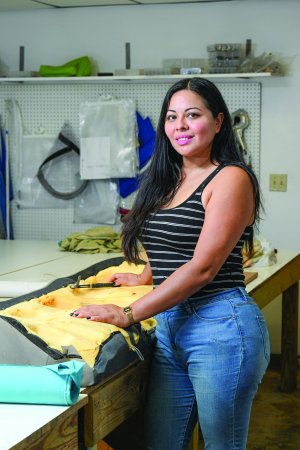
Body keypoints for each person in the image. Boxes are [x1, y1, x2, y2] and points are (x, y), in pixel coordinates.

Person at [72, 77, 270, 450]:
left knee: (221, 446)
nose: (179, 126)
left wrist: (126, 312)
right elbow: (170, 241)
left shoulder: (230, 179)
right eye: (171, 116)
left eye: (192, 115)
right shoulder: (168, 178)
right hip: (171, 326)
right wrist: (145, 276)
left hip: (221, 328)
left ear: (218, 122)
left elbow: (203, 267)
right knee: (162, 443)